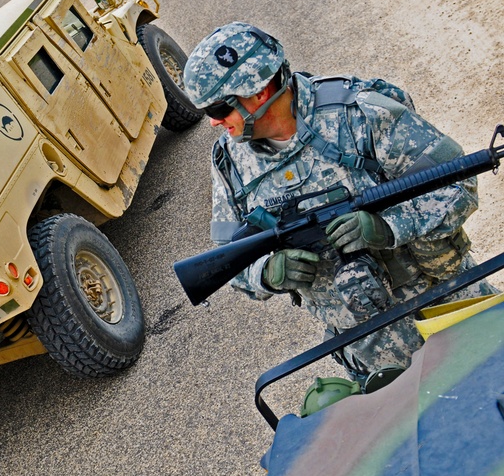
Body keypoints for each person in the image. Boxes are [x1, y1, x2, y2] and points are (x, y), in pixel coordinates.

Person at [181, 22, 496, 383]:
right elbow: (226, 257)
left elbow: (458, 186)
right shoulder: (230, 161)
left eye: (219, 108)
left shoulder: (359, 113)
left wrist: (388, 227)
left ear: (258, 90)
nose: (215, 122)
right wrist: (267, 273)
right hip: (374, 355)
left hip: (452, 307)